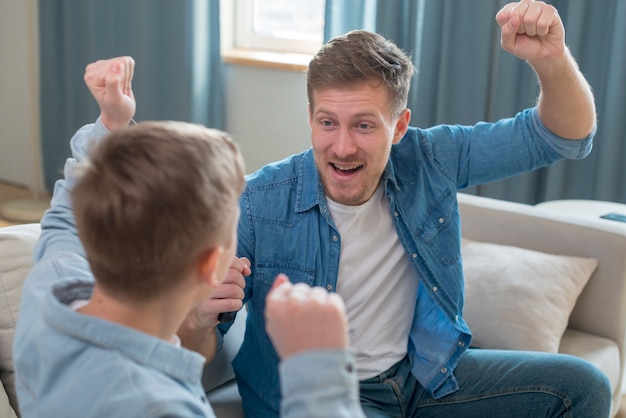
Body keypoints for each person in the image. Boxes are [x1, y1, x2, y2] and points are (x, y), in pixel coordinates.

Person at [223, 0, 612, 417]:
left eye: (364, 125)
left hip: (421, 377)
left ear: (400, 126)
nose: (342, 147)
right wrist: (200, 314)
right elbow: (202, 333)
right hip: (321, 395)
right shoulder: (259, 201)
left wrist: (551, 60)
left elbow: (563, 136)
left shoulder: (430, 158)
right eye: (327, 122)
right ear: (310, 117)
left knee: (582, 387)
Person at [12, 57, 365, 417]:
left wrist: (112, 124)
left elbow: (67, 216)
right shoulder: (159, 405)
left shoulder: (50, 287)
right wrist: (319, 368)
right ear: (212, 264)